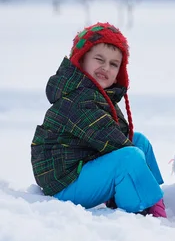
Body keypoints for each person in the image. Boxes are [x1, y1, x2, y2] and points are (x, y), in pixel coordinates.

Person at [31, 22, 166, 217]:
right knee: (129, 157)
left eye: (113, 64)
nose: (106, 67)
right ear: (82, 59)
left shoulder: (98, 94)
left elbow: (120, 137)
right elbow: (112, 141)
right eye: (99, 59)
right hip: (64, 184)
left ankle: (156, 199)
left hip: (83, 166)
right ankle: (142, 208)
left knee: (139, 141)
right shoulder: (78, 99)